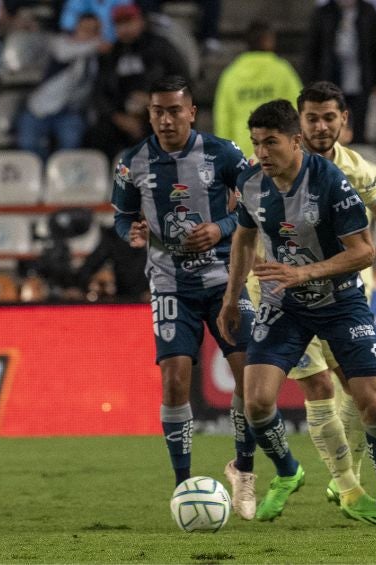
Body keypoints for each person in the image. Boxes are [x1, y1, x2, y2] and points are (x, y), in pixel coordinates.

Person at [218, 99, 376, 531]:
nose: (262, 152)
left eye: (271, 143)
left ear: (295, 141)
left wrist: (302, 271)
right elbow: (244, 240)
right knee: (256, 403)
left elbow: (365, 251)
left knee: (374, 407)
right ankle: (289, 470)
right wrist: (231, 298)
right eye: (256, 143)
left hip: (340, 302)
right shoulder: (252, 182)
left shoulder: (330, 181)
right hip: (283, 303)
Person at [275, 81, 376, 520]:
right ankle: (346, 486)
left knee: (362, 394)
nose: (321, 126)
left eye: (329, 117)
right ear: (299, 123)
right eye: (312, 117)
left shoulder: (360, 173)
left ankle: (346, 474)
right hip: (290, 295)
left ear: (345, 120)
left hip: (346, 292)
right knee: (319, 386)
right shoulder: (272, 166)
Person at [110, 76, 258, 516]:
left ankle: (244, 472)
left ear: (192, 112)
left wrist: (221, 228)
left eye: (175, 110)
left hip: (224, 280)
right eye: (158, 111)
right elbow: (121, 217)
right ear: (149, 114)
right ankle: (184, 485)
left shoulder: (222, 153)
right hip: (170, 283)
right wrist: (130, 232)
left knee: (248, 378)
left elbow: (256, 205)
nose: (166, 119)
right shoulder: (130, 162)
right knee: (175, 381)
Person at [85, 4, 188, 159]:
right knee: (96, 134)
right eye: (120, 24)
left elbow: (184, 82)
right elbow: (99, 93)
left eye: (129, 22)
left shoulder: (162, 48)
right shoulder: (111, 55)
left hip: (159, 114)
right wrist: (119, 118)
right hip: (120, 119)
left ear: (141, 22)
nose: (125, 28)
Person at [16, 12, 109, 160]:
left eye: (93, 31)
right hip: (40, 108)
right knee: (28, 145)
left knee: (70, 146)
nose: (88, 35)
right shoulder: (61, 43)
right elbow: (63, 54)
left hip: (70, 111)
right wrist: (97, 44)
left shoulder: (96, 59)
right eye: (84, 30)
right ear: (76, 29)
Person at [303, 0, 376, 144]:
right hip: (331, 81)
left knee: (360, 128)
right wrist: (312, 85)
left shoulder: (368, 12)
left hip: (361, 80)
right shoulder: (324, 13)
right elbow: (312, 51)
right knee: (331, 127)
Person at [213, 20, 302, 158]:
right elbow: (298, 110)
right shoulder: (282, 71)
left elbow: (223, 118)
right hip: (277, 151)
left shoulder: (231, 74)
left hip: (241, 150)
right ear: (269, 40)